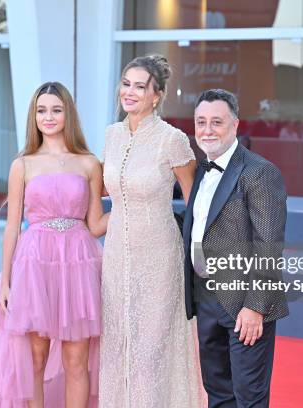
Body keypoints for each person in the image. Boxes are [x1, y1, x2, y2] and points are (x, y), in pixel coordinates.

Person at [0, 82, 107, 408]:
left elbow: (97, 224)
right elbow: (12, 226)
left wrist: (140, 208)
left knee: (76, 359)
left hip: (78, 262)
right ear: (34, 116)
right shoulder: (23, 164)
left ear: (67, 113)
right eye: (42, 110)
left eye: (56, 109)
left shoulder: (88, 163)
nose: (49, 116)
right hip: (34, 262)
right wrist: (5, 281)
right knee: (35, 357)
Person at [100, 54, 202, 407]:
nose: (130, 92)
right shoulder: (111, 136)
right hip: (114, 259)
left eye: (140, 86)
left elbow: (195, 204)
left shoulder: (172, 140)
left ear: (156, 95)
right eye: (126, 84)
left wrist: (199, 257)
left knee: (150, 353)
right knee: (117, 346)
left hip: (159, 258)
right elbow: (113, 197)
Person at [182, 89, 289, 407]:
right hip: (206, 299)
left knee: (249, 397)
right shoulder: (202, 169)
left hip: (245, 302)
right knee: (218, 393)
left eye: (217, 121)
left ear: (235, 124)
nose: (207, 129)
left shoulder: (260, 172)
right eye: (201, 122)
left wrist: (255, 307)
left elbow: (268, 245)